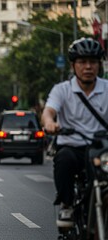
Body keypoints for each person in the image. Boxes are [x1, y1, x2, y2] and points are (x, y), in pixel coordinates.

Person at [41, 37, 108, 228]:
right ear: (73, 65)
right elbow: (49, 111)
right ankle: (67, 204)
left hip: (102, 149)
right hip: (73, 147)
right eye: (82, 62)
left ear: (99, 65)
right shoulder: (62, 90)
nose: (88, 67)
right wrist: (50, 123)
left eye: (93, 62)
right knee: (64, 159)